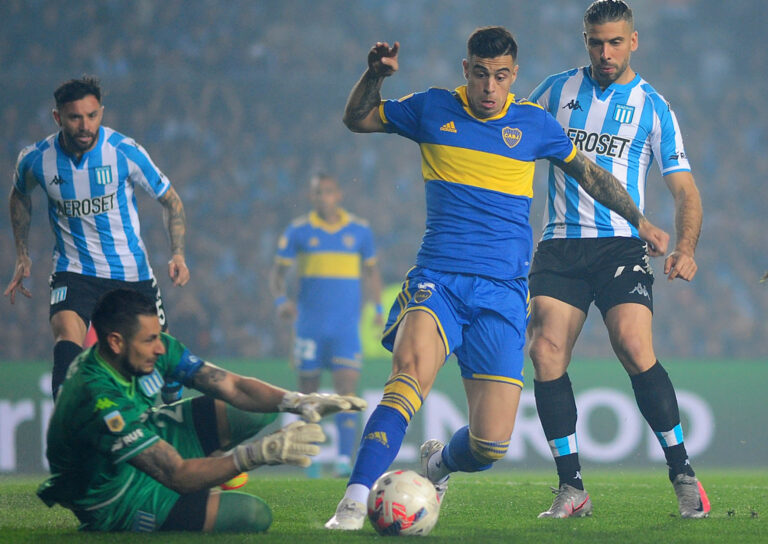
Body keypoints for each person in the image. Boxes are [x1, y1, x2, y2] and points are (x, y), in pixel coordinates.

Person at [325, 26, 669, 530]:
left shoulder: (534, 124)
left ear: (514, 76)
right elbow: (356, 118)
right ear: (467, 70)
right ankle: (353, 502)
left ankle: (437, 465)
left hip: (504, 294)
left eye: (501, 77)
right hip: (439, 279)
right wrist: (372, 77)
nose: (490, 87)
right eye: (482, 75)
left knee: (490, 443)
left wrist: (639, 221)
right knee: (407, 379)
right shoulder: (432, 108)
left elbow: (590, 175)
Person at [526, 0, 707, 519]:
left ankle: (682, 472)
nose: (604, 53)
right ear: (585, 40)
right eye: (595, 42)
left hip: (621, 244)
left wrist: (685, 247)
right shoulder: (554, 92)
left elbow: (686, 191)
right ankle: (571, 487)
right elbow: (508, 138)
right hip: (559, 244)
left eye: (614, 42)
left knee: (632, 343)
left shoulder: (653, 106)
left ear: (633, 41)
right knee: (544, 351)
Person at [37, 288, 367, 532]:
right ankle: (206, 474)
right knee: (254, 516)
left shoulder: (150, 348)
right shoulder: (97, 399)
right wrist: (256, 455)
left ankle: (209, 470)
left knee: (255, 411)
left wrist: (298, 401)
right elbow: (175, 475)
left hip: (148, 433)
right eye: (149, 340)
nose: (159, 347)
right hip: (115, 495)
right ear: (115, 342)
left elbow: (233, 387)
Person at [4, 76, 190, 400]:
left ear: (101, 113)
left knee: (168, 378)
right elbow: (19, 196)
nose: (84, 125)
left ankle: (170, 413)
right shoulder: (36, 159)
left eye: (91, 116)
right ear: (57, 117)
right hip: (75, 271)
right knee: (65, 336)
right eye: (75, 117)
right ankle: (68, 413)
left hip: (130, 272)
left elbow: (171, 200)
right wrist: (22, 254)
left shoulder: (123, 151)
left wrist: (178, 254)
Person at [270, 173, 383, 478]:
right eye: (318, 193)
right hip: (309, 326)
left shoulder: (360, 231)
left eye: (328, 192)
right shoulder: (299, 231)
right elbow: (277, 273)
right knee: (308, 395)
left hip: (346, 328)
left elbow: (372, 272)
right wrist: (281, 301)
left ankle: (345, 459)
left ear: (339, 195)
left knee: (347, 391)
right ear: (312, 197)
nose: (324, 197)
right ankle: (311, 460)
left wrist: (378, 307)